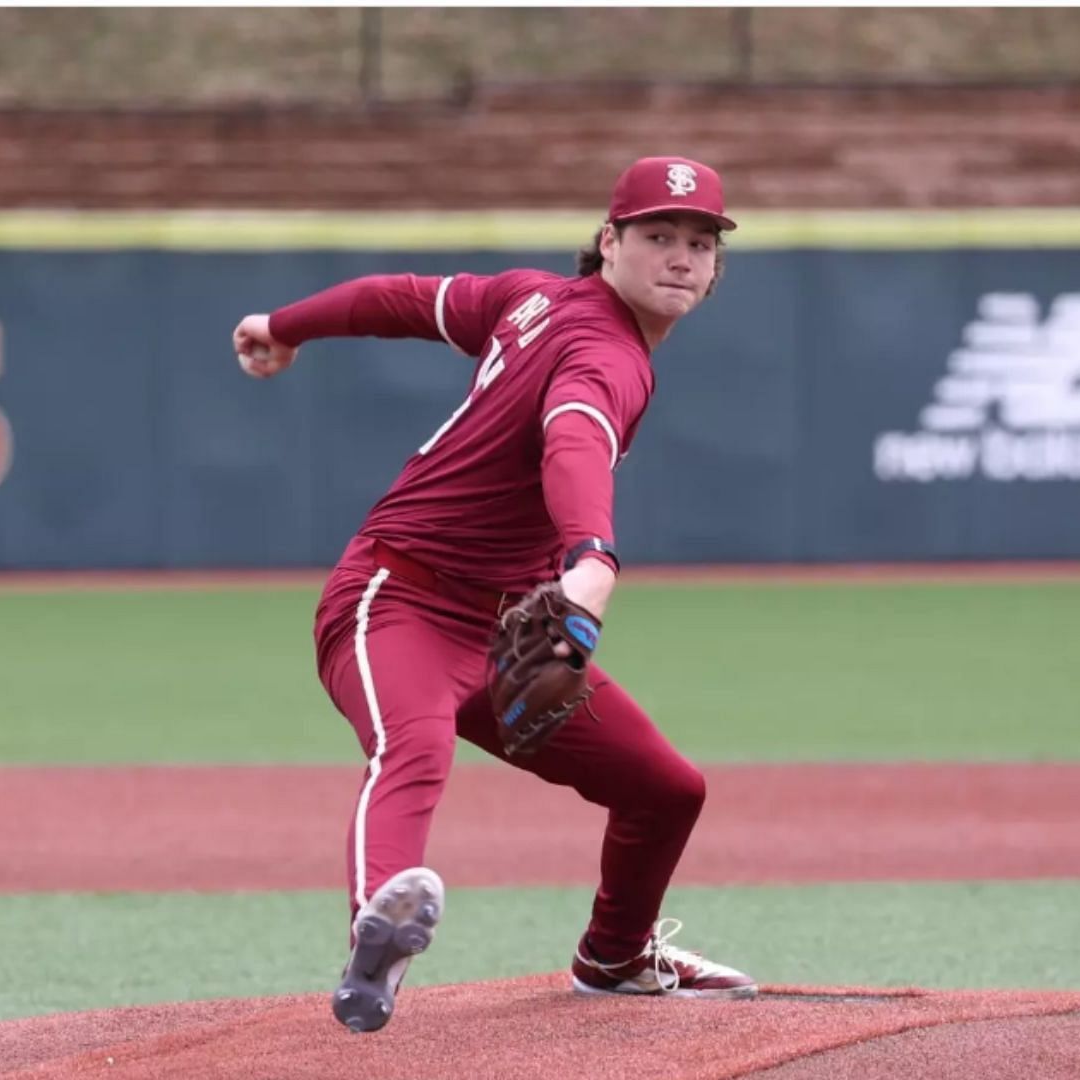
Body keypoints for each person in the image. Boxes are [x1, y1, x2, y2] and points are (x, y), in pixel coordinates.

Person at [231, 156, 757, 1034]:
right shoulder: (603, 351)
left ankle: (616, 958)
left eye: (700, 243)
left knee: (666, 789)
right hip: (395, 596)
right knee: (415, 745)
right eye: (657, 236)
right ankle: (378, 936)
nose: (680, 257)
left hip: (506, 633)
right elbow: (574, 439)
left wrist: (285, 326)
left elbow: (396, 299)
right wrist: (592, 556)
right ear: (608, 243)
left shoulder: (530, 299)